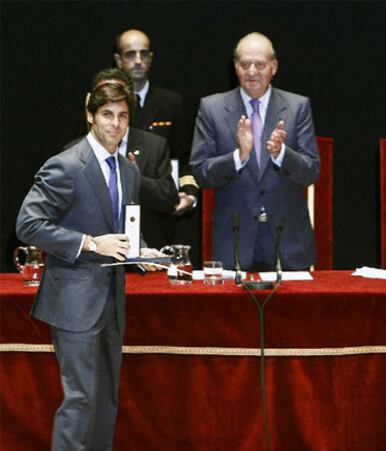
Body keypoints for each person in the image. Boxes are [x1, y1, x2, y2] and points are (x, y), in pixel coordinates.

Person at [16, 83, 162, 451]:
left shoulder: (129, 170)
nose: (115, 125)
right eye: (107, 116)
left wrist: (145, 255)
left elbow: (122, 233)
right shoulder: (66, 165)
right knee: (80, 398)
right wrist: (87, 243)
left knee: (105, 400)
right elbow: (28, 224)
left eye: (121, 117)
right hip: (74, 301)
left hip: (112, 300)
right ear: (90, 116)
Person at [190, 32, 320, 271]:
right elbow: (200, 172)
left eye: (259, 64)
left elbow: (311, 171)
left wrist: (281, 154)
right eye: (244, 64)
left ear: (273, 67)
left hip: (287, 241)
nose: (251, 71)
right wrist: (238, 156)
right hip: (235, 242)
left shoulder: (297, 106)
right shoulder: (212, 108)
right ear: (235, 67)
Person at [113, 29, 201, 261]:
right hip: (114, 213)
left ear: (151, 57)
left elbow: (184, 157)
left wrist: (189, 194)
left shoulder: (171, 103)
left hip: (158, 213)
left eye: (144, 54)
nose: (138, 61)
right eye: (131, 54)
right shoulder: (103, 105)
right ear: (118, 60)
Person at [76, 68, 181, 248]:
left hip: (144, 255)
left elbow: (170, 199)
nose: (115, 122)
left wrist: (134, 177)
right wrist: (90, 245)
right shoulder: (73, 154)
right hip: (92, 259)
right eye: (107, 109)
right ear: (91, 110)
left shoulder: (154, 145)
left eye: (121, 111)